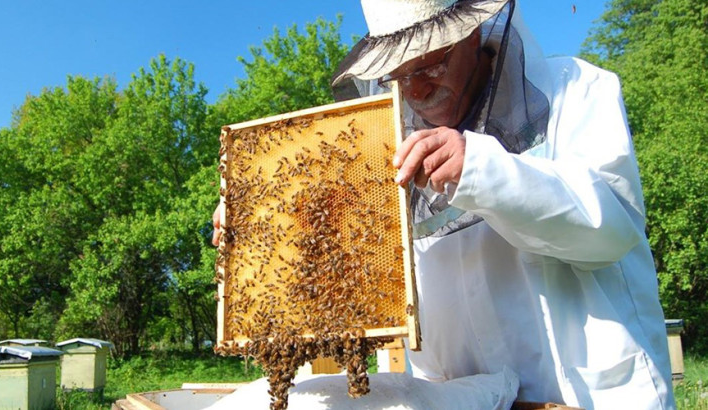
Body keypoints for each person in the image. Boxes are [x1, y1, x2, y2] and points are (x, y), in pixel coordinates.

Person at [214, 0, 676, 408]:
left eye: (430, 66)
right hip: (462, 397)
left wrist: (478, 169)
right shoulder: (385, 139)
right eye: (398, 74)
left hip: (589, 395)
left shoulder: (577, 90)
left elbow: (611, 228)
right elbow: (334, 243)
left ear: (471, 33)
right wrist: (259, 224)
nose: (414, 90)